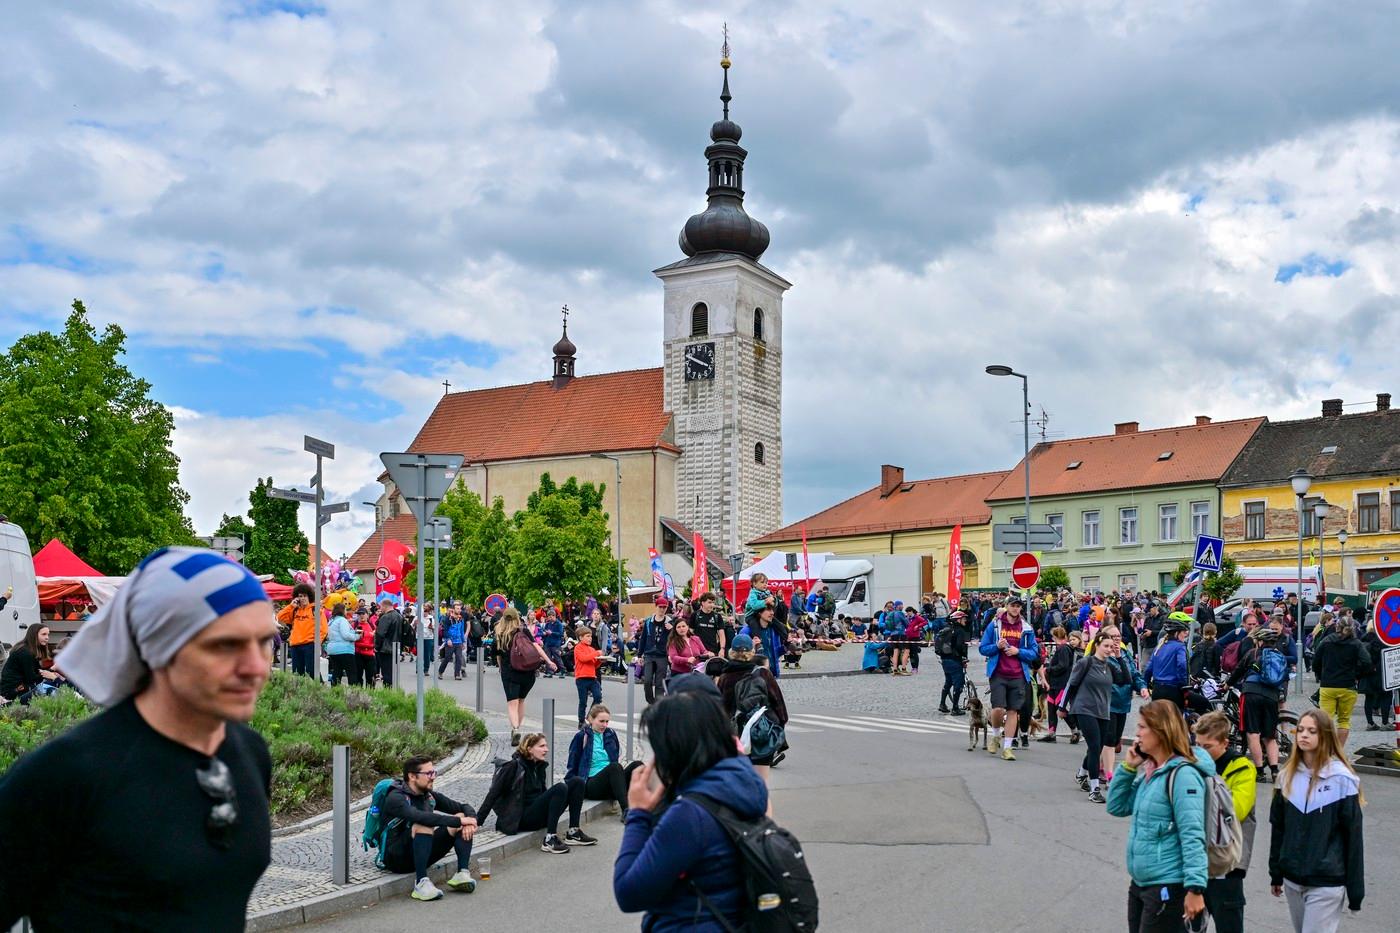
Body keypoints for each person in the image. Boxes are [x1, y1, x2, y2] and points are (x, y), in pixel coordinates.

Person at [0, 547, 277, 931]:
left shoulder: (249, 753)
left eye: (264, 641)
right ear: (157, 647)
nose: (255, 667)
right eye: (225, 645)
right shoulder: (65, 775)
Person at [613, 691, 769, 932]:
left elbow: (628, 893)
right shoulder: (742, 784)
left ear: (675, 746)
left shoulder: (690, 815)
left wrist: (638, 814)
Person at [1105, 699, 1211, 932]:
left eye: (1142, 727)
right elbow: (1116, 806)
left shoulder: (1183, 776)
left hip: (1167, 885)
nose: (1137, 733)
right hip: (1141, 884)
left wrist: (1195, 888)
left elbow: (1193, 833)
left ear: (1161, 731)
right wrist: (1128, 768)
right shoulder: (1152, 771)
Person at [1269, 707, 1365, 931]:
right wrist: (1276, 873)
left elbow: (1353, 839)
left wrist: (1356, 891)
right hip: (1293, 880)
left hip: (1326, 882)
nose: (1304, 735)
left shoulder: (1342, 780)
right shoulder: (1286, 777)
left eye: (1312, 731)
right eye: (1300, 730)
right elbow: (1278, 829)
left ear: (1325, 736)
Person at [476, 733, 595, 854]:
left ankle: (573, 832)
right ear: (529, 749)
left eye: (546, 746)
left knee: (577, 782)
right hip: (521, 817)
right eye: (541, 746)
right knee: (560, 788)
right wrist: (477, 821)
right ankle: (550, 839)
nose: (546, 750)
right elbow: (493, 794)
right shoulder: (513, 766)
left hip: (537, 813)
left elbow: (543, 795)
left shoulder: (539, 766)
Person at [381, 755, 479, 901]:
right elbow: (420, 817)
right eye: (428, 774)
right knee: (425, 824)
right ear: (412, 776)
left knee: (461, 816)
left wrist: (470, 820)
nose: (433, 777)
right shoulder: (396, 798)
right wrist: (459, 821)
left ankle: (462, 873)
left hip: (421, 852)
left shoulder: (428, 795)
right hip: (397, 858)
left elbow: (463, 807)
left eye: (433, 772)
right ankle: (421, 884)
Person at [1193, 711, 1257, 933]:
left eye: (1207, 746)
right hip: (1195, 862)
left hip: (1227, 864)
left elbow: (1236, 811)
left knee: (1229, 926)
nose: (1201, 752)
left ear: (1225, 743)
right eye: (1197, 745)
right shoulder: (1192, 766)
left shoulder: (1242, 768)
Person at [716, 634, 788, 799]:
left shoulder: (725, 677)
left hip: (736, 737)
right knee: (761, 785)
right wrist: (779, 727)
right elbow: (778, 704)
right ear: (752, 651)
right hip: (760, 732)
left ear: (732, 652)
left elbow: (720, 710)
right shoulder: (762, 673)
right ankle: (761, 812)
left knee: (738, 783)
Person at [1066, 625, 1130, 803]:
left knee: (1098, 747)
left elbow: (1126, 680)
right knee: (1095, 747)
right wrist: (1063, 708)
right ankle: (1094, 789)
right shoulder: (1085, 663)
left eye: (1111, 646)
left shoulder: (1109, 666)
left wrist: (1119, 656)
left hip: (1103, 711)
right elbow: (1071, 684)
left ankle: (1081, 773)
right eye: (1106, 646)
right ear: (1097, 646)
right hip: (1084, 709)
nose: (1109, 649)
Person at [978, 596, 1040, 760]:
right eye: (1013, 605)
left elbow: (1034, 652)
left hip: (1018, 675)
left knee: (1013, 711)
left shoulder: (1026, 628)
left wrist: (1018, 651)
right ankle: (996, 735)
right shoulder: (995, 625)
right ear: (1006, 606)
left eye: (1018, 606)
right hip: (998, 673)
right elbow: (983, 648)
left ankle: (1007, 748)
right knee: (998, 709)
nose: (1015, 608)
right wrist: (996, 646)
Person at [1229, 626, 1289, 782]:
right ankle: (1275, 770)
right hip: (1271, 696)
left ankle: (1260, 772)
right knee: (1270, 736)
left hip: (1251, 693)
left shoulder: (1252, 653)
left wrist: (1227, 684)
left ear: (1260, 641)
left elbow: (1238, 670)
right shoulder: (1280, 656)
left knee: (1253, 733)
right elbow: (1284, 677)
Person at [566, 704, 642, 819]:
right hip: (592, 784)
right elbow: (573, 764)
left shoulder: (610, 734)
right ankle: (626, 811)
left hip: (612, 781)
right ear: (591, 719)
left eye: (607, 722)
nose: (605, 725)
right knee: (615, 767)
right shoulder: (581, 737)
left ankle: (645, 806)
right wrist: (572, 789)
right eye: (601, 721)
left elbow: (615, 756)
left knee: (638, 765)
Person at [494, 607, 556, 744]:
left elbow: (497, 655)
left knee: (512, 703)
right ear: (517, 618)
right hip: (527, 671)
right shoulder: (524, 631)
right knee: (521, 701)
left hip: (510, 672)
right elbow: (536, 647)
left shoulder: (500, 633)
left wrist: (501, 667)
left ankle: (515, 728)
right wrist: (548, 661)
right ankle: (518, 727)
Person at [1312, 619, 1371, 746]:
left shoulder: (1326, 641)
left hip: (1328, 685)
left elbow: (1315, 661)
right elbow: (1367, 662)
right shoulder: (1356, 643)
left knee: (1325, 720)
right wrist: (1357, 675)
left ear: (1336, 627)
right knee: (1344, 721)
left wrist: (1321, 675)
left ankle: (1325, 750)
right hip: (1348, 686)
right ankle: (1338, 752)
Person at [0, 622, 64, 703]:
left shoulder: (28, 650)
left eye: (48, 634)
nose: (47, 637)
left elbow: (37, 672)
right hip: (12, 692)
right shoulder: (25, 652)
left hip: (18, 688)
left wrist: (51, 672)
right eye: (43, 634)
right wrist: (52, 669)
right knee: (49, 687)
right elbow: (32, 679)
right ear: (34, 635)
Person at [1145, 615, 1190, 710]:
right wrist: (1184, 685)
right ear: (1176, 633)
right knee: (1203, 703)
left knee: (1159, 718)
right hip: (1173, 690)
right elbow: (1182, 665)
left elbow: (1148, 668)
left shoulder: (1159, 646)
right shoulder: (1180, 646)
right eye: (1183, 632)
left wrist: (1145, 684)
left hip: (1157, 690)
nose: (1185, 635)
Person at [1039, 626, 1076, 741]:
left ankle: (1075, 730)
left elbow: (1063, 666)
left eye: (1053, 637)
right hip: (1055, 683)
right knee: (1051, 707)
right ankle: (1052, 733)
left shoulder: (1063, 649)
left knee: (1060, 708)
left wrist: (1049, 669)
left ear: (1055, 637)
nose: (1052, 639)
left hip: (1061, 683)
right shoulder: (1064, 648)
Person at [277, 582, 318, 677]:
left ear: (309, 597)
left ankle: (319, 685)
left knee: (312, 671)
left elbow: (323, 628)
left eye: (305, 596)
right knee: (297, 673)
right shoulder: (294, 610)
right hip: (295, 645)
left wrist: (317, 642)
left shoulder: (315, 610)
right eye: (300, 596)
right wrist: (291, 606)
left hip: (310, 644)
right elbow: (280, 617)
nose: (302, 598)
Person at [937, 609, 973, 714]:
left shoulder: (946, 629)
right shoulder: (959, 631)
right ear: (958, 620)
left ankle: (942, 704)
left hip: (945, 659)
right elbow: (959, 646)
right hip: (954, 660)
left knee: (948, 682)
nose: (965, 620)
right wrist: (963, 657)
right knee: (958, 684)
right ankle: (955, 708)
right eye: (963, 618)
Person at [637, 597, 673, 704]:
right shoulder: (649, 621)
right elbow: (643, 638)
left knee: (659, 683)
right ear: (656, 607)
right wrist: (639, 655)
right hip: (649, 654)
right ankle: (651, 701)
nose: (662, 609)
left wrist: (671, 629)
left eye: (664, 607)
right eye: (660, 607)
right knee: (647, 680)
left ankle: (657, 705)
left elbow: (675, 638)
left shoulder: (670, 621)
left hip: (662, 655)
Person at [1359, 620, 1394, 730]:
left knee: (1368, 698)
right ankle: (1385, 722)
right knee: (1386, 696)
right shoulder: (1384, 641)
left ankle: (1370, 723)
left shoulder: (1363, 641)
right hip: (1381, 674)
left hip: (1367, 674)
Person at [739, 602, 786, 678]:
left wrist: (786, 647)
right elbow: (740, 657)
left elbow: (776, 653)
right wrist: (752, 647)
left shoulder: (774, 630)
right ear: (759, 613)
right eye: (768, 610)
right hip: (754, 676)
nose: (772, 613)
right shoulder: (746, 631)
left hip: (771, 675)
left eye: (773, 610)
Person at [572, 625, 603, 728]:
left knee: (598, 696)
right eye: (587, 636)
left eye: (591, 636)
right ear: (581, 638)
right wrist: (596, 653)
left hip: (592, 677)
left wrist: (600, 660)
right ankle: (581, 721)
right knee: (583, 701)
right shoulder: (578, 648)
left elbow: (594, 664)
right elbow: (583, 658)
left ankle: (590, 716)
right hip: (581, 678)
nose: (590, 638)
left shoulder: (591, 649)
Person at [325, 604, 358, 686]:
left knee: (337, 672)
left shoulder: (331, 621)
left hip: (333, 650)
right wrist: (357, 636)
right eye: (345, 610)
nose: (346, 611)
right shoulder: (342, 620)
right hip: (345, 650)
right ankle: (353, 691)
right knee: (351, 673)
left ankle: (335, 691)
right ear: (342, 610)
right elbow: (346, 635)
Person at [374, 597, 403, 688]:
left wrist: (376, 647)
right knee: (394, 672)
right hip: (396, 647)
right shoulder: (399, 616)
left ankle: (388, 690)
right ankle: (394, 690)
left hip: (385, 649)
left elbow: (380, 633)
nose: (380, 609)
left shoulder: (386, 617)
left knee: (386, 673)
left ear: (384, 606)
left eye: (381, 607)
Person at [690, 591, 728, 658]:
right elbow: (690, 633)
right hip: (698, 651)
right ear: (703, 603)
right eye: (709, 602)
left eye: (713, 602)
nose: (712, 605)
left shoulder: (717, 616)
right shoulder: (695, 615)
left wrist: (722, 649)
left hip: (713, 650)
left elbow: (721, 634)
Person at [438, 607, 466, 680]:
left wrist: (463, 642)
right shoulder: (448, 619)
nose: (459, 610)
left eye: (460, 609)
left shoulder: (461, 619)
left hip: (458, 642)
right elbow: (445, 630)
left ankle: (457, 675)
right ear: (453, 610)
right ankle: (440, 672)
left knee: (459, 658)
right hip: (450, 641)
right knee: (447, 658)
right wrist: (448, 639)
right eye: (457, 609)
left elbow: (461, 631)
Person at [353, 607, 377, 686]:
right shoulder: (355, 625)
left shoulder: (372, 626)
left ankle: (370, 692)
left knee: (370, 677)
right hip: (358, 654)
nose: (361, 616)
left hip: (370, 655)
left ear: (367, 615)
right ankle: (358, 692)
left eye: (363, 614)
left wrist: (372, 646)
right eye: (359, 614)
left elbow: (376, 640)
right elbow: (353, 640)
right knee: (358, 676)